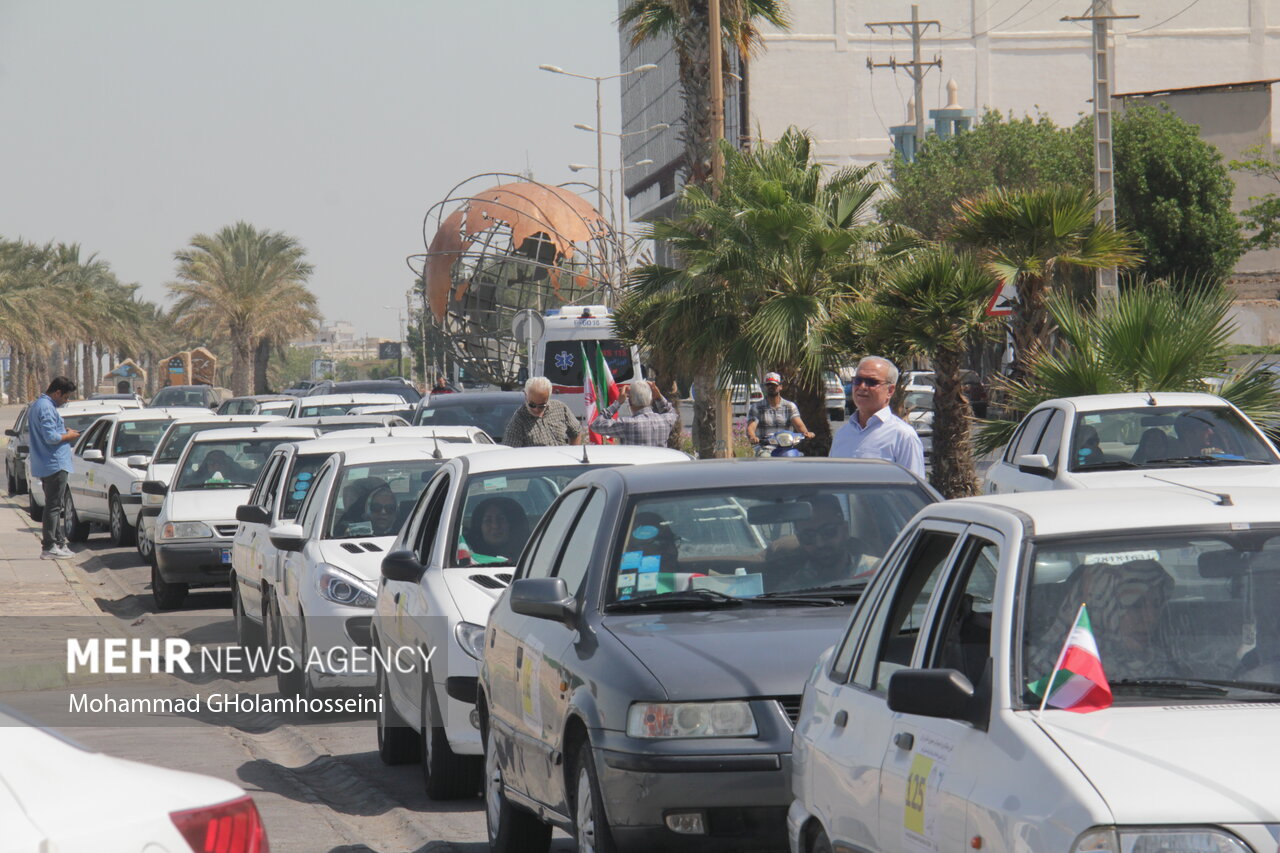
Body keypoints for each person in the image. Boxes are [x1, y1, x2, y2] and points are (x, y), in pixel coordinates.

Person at [828, 356, 925, 478]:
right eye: (858, 380)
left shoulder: (903, 436)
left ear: (890, 390)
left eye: (872, 382)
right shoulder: (842, 434)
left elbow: (912, 489)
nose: (862, 387)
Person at [767, 495, 868, 590]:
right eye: (808, 536)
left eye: (828, 531)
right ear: (800, 540)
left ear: (845, 530)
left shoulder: (877, 574)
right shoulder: (790, 591)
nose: (820, 543)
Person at [29, 377, 81, 559]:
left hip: (50, 463)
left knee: (55, 505)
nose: (66, 401)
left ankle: (59, 543)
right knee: (53, 506)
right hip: (53, 464)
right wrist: (69, 435)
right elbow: (51, 437)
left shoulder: (41, 405)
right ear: (57, 393)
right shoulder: (45, 407)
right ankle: (49, 546)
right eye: (65, 397)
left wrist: (63, 431)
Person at [587, 381, 677, 447]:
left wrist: (618, 402)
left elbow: (596, 425)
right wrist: (659, 397)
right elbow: (671, 412)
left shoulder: (627, 424)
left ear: (630, 402)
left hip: (633, 471)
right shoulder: (665, 421)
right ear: (651, 399)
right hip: (657, 471)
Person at [502, 376, 582, 447]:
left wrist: (573, 453)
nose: (536, 409)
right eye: (532, 405)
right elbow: (510, 452)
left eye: (541, 406)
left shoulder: (560, 408)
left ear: (548, 398)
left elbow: (576, 432)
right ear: (526, 396)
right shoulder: (518, 421)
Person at [745, 372, 814, 456]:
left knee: (796, 456)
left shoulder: (790, 406)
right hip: (765, 448)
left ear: (780, 387)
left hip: (786, 447)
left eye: (774, 385)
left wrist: (806, 433)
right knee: (765, 457)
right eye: (768, 385)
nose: (771, 387)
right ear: (765, 387)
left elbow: (799, 425)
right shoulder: (756, 407)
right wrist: (753, 437)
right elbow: (751, 428)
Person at [465, 496, 530, 562]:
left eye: (501, 519)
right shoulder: (465, 555)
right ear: (479, 527)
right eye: (488, 520)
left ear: (511, 524)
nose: (495, 526)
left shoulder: (531, 553)